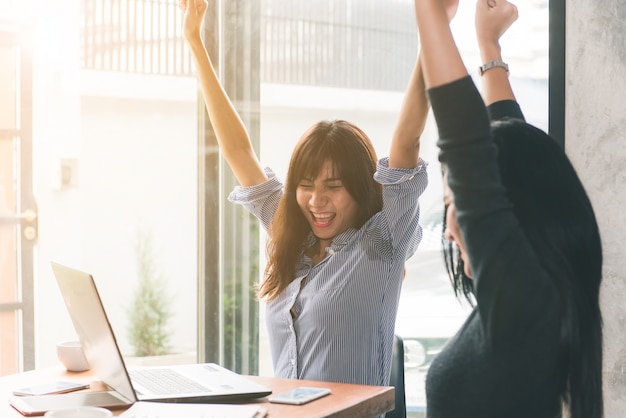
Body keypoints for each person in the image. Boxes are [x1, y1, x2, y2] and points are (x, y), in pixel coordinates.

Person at [180, 0, 430, 387]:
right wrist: (195, 42)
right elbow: (238, 152)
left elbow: (407, 141)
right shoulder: (291, 236)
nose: (317, 201)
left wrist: (435, 27)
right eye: (306, 185)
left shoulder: (381, 243)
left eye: (333, 187)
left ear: (360, 189)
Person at [414, 0, 604, 417]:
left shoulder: (524, 305)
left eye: (452, 204)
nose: (448, 230)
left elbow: (471, 147)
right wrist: (488, 47)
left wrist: (428, 12)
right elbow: (512, 145)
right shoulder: (536, 305)